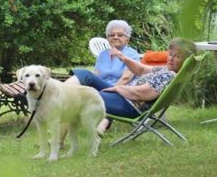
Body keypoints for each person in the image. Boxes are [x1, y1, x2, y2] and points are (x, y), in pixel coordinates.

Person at [67, 38, 198, 131]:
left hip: (128, 105)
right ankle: (62, 92)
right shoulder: (166, 70)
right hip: (125, 97)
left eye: (177, 56)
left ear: (186, 60)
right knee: (87, 75)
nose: (171, 58)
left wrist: (118, 88)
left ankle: (59, 102)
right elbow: (141, 70)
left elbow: (141, 93)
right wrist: (123, 57)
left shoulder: (168, 75)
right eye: (170, 54)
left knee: (83, 95)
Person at [71, 20, 141, 86]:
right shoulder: (103, 55)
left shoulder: (132, 54)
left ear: (127, 38)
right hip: (102, 88)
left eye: (120, 35)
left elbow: (126, 78)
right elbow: (96, 75)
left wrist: (110, 90)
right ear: (108, 38)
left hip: (119, 90)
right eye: (112, 35)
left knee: (85, 74)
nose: (115, 37)